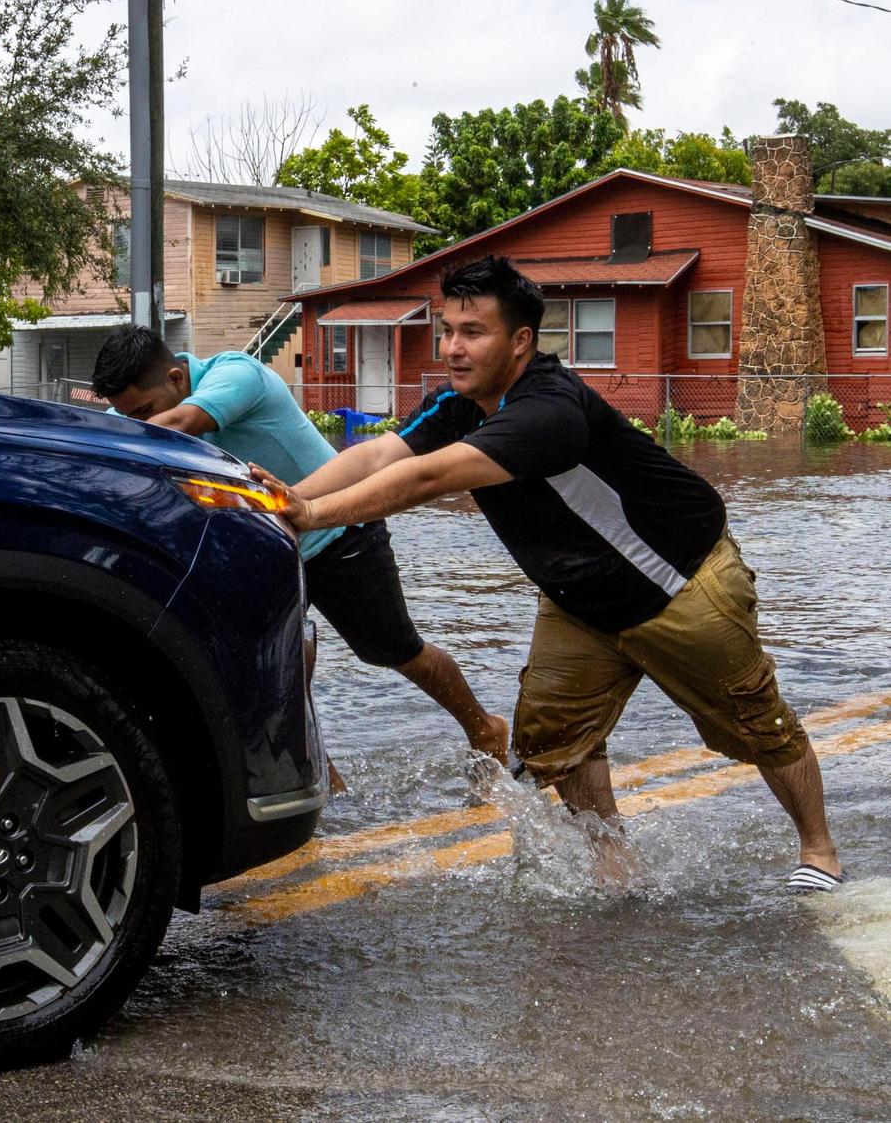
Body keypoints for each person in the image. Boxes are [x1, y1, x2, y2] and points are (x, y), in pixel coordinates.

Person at [252, 255, 843, 892]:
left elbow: (425, 478)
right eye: (447, 330)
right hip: (577, 599)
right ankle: (617, 868)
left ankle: (820, 854)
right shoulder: (457, 404)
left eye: (472, 333)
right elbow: (378, 453)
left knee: (760, 724)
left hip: (678, 584)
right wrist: (280, 508)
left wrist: (310, 514)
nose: (452, 347)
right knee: (558, 742)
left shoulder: (549, 410)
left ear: (521, 341)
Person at [91, 326, 509, 785]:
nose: (135, 421)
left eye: (144, 411)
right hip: (267, 547)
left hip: (337, 532)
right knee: (281, 670)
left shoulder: (236, 373)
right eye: (128, 413)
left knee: (394, 651)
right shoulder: (140, 410)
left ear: (175, 379)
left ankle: (485, 728)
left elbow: (179, 426)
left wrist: (112, 440)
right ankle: (323, 779)